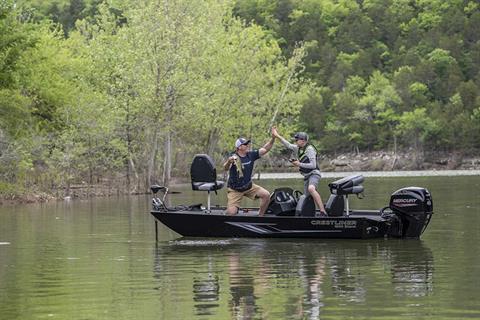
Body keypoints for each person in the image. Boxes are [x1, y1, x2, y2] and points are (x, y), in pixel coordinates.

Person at [271, 126, 327, 216]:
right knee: (307, 196)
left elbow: (313, 165)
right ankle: (309, 214)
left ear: (303, 141)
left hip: (314, 174)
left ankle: (322, 211)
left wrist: (298, 164)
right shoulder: (298, 148)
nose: (295, 142)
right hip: (306, 176)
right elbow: (288, 145)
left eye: (297, 140)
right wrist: (277, 135)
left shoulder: (310, 149)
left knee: (311, 189)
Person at [223, 135, 275, 216]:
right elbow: (225, 168)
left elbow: (265, 149)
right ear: (239, 147)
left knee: (266, 195)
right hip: (235, 189)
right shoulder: (233, 156)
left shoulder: (251, 155)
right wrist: (229, 162)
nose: (247, 145)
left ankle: (260, 216)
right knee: (231, 213)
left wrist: (273, 138)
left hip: (249, 187)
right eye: (245, 144)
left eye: (247, 143)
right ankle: (230, 210)